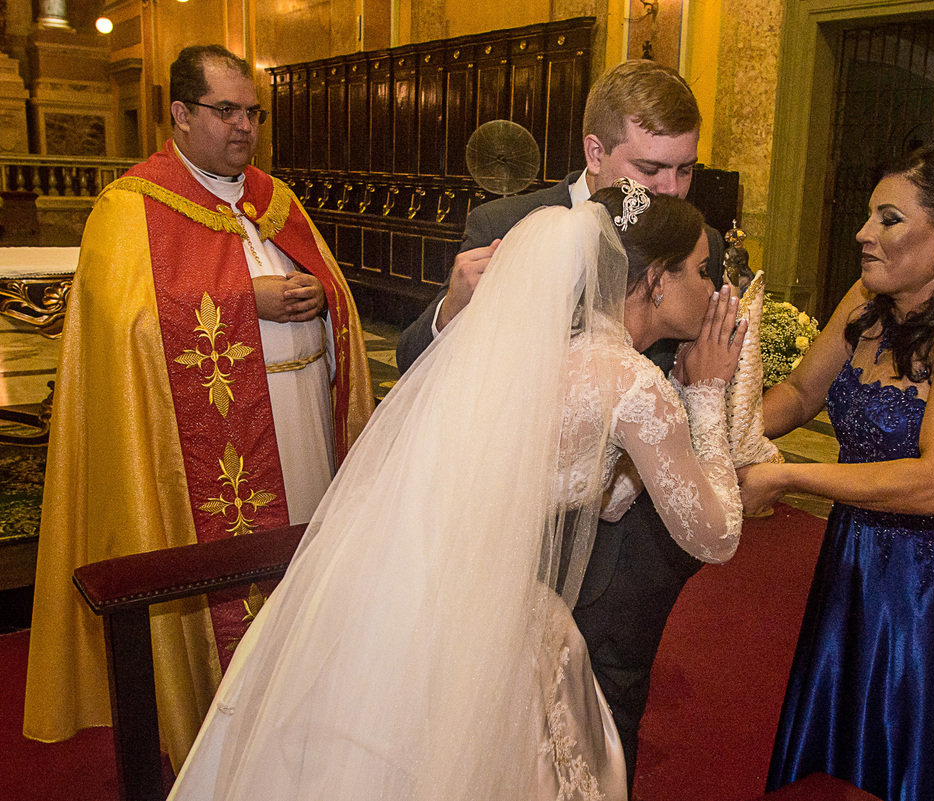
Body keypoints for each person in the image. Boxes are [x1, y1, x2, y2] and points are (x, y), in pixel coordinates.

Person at [166, 182, 745, 800]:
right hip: (478, 610)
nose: (712, 291)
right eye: (703, 271)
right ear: (656, 280)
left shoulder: (521, 343)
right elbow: (716, 535)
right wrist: (707, 395)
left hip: (394, 582)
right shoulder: (630, 380)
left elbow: (598, 494)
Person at [23, 44, 374, 769]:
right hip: (207, 460)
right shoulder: (130, 208)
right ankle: (225, 735)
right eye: (226, 111)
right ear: (180, 114)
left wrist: (322, 296)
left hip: (302, 425)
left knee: (306, 582)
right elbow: (127, 328)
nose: (244, 126)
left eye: (252, 111)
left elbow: (328, 286)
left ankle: (317, 713)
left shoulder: (275, 199)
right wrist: (249, 301)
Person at [394, 58, 723, 778]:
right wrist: (452, 308)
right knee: (487, 730)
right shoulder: (505, 224)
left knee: (604, 729)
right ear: (595, 151)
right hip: (499, 540)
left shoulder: (690, 240)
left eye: (687, 171)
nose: (670, 190)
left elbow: (694, 376)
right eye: (651, 168)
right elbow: (418, 367)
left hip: (626, 555)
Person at [739, 137, 934, 801]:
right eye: (869, 215)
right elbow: (802, 393)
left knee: (911, 764)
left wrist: (787, 476)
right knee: (844, 758)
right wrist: (715, 435)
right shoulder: (867, 299)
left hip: (933, 587)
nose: (865, 233)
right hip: (855, 563)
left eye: (889, 219)